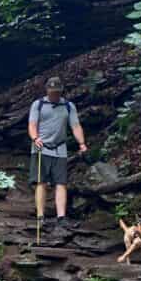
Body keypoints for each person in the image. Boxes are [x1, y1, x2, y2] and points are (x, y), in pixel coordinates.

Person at [28, 76, 87, 226]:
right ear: (47, 90)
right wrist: (35, 138)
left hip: (60, 148)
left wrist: (82, 143)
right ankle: (40, 216)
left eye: (57, 92)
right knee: (41, 182)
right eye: (52, 92)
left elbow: (75, 126)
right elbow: (32, 125)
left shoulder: (68, 106)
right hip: (41, 147)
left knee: (61, 183)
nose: (55, 94)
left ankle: (61, 217)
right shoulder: (38, 104)